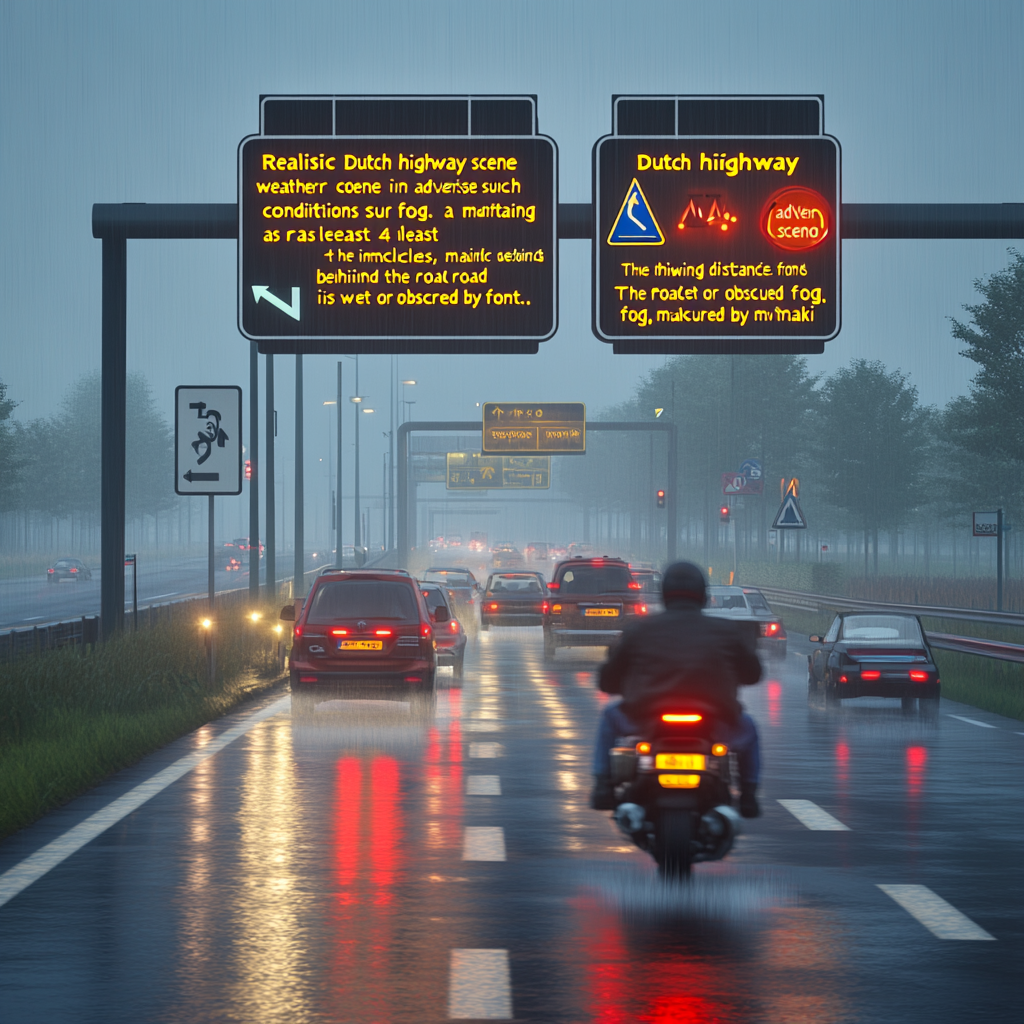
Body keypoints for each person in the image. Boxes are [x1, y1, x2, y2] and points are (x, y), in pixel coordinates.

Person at [590, 561, 764, 818]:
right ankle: (749, 795)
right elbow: (753, 674)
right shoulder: (727, 630)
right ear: (704, 595)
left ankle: (603, 787)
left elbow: (607, 681)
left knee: (609, 717)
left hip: (646, 719)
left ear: (663, 594)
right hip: (714, 720)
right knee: (748, 728)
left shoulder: (639, 629)